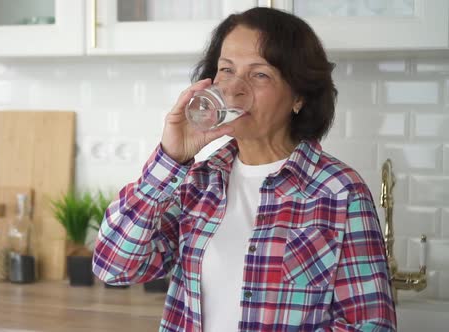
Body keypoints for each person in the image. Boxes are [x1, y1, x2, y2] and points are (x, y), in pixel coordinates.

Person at [92, 6, 396, 332]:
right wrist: (170, 158)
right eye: (226, 70)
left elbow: (369, 325)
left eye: (259, 74)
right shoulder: (197, 182)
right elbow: (114, 266)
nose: (235, 89)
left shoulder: (340, 191)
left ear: (299, 97)